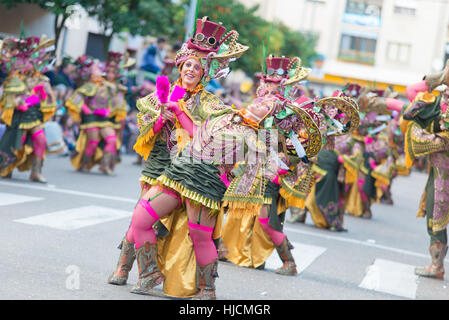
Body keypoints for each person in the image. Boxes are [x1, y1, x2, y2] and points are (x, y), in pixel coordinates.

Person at [107, 16, 249, 299]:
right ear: (179, 67)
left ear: (205, 73)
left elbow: (209, 139)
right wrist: (162, 118)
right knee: (140, 220)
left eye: (197, 66)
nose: (191, 70)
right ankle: (128, 269)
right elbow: (146, 129)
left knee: (198, 234)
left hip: (195, 174)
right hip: (160, 165)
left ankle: (206, 288)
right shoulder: (161, 95)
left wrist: (181, 113)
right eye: (187, 65)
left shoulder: (211, 104)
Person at [0, 36, 57, 183]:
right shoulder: (14, 78)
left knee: (41, 140)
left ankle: (36, 172)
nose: (32, 63)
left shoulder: (42, 79)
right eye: (29, 60)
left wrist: (46, 94)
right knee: (17, 143)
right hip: (18, 117)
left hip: (34, 116)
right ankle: (7, 168)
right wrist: (24, 101)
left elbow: (49, 101)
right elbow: (10, 100)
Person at [65, 55, 119, 175]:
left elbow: (112, 102)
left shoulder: (108, 87)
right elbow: (77, 100)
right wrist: (87, 110)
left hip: (103, 118)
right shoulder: (87, 86)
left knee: (112, 139)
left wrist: (108, 111)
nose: (98, 74)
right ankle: (84, 164)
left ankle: (104, 165)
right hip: (91, 118)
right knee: (93, 142)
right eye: (95, 72)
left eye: (99, 71)